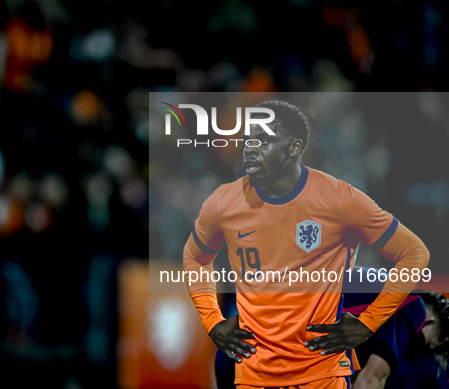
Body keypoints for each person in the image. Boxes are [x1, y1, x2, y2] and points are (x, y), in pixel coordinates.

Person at [183, 100, 430, 388]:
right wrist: (212, 321)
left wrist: (367, 324)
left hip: (322, 375)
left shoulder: (339, 199)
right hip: (253, 376)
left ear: (294, 148)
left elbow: (414, 253)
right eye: (248, 139)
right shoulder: (223, 203)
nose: (250, 148)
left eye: (263, 141)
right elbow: (195, 257)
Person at [213, 266, 449, 389]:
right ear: (430, 321)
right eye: (424, 347)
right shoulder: (411, 306)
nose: (412, 354)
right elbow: (371, 380)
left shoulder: (371, 293)